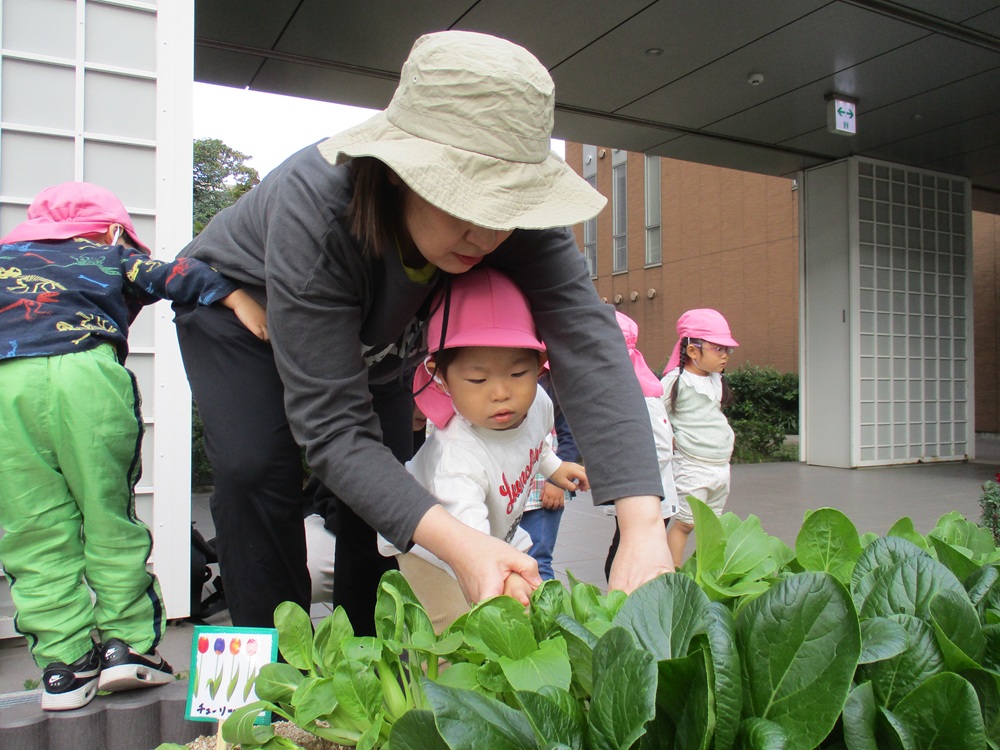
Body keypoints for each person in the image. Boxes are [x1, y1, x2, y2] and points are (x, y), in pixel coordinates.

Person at [173, 29, 672, 636]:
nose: (489, 235)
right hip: (241, 308)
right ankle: (265, 670)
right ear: (398, 172)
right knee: (258, 472)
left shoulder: (507, 223)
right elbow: (332, 429)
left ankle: (369, 654)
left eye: (505, 209)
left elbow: (586, 336)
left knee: (386, 482)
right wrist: (464, 547)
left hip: (376, 342)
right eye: (467, 204)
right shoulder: (317, 215)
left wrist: (643, 528)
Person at [0, 182, 267, 711]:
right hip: (85, 375)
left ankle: (64, 667)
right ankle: (127, 646)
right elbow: (179, 275)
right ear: (112, 230)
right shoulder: (108, 253)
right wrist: (238, 298)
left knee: (33, 529)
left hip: (8, 385)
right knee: (108, 516)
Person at [378, 268, 588, 630]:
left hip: (494, 531)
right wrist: (505, 577)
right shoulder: (456, 456)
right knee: (456, 627)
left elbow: (533, 444)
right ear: (440, 377)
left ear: (539, 366)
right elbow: (470, 543)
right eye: (478, 379)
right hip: (432, 547)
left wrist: (554, 467)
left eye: (517, 374)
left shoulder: (537, 403)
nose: (501, 393)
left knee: (516, 613)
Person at [660, 308, 739, 566]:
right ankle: (671, 575)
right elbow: (655, 414)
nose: (724, 355)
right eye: (718, 348)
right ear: (693, 351)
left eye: (727, 350)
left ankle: (709, 573)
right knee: (685, 523)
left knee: (712, 524)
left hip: (720, 465)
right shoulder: (676, 381)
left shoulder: (716, 379)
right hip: (692, 465)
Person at [603, 311, 679, 578]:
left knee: (634, 554)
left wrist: (624, 470)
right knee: (624, 548)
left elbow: (662, 448)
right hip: (631, 491)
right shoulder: (619, 393)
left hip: (649, 494)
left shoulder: (643, 396)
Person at [521, 367, 580, 581]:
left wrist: (556, 483)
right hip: (512, 488)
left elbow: (571, 436)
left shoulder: (557, 382)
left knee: (537, 559)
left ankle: (544, 603)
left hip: (542, 490)